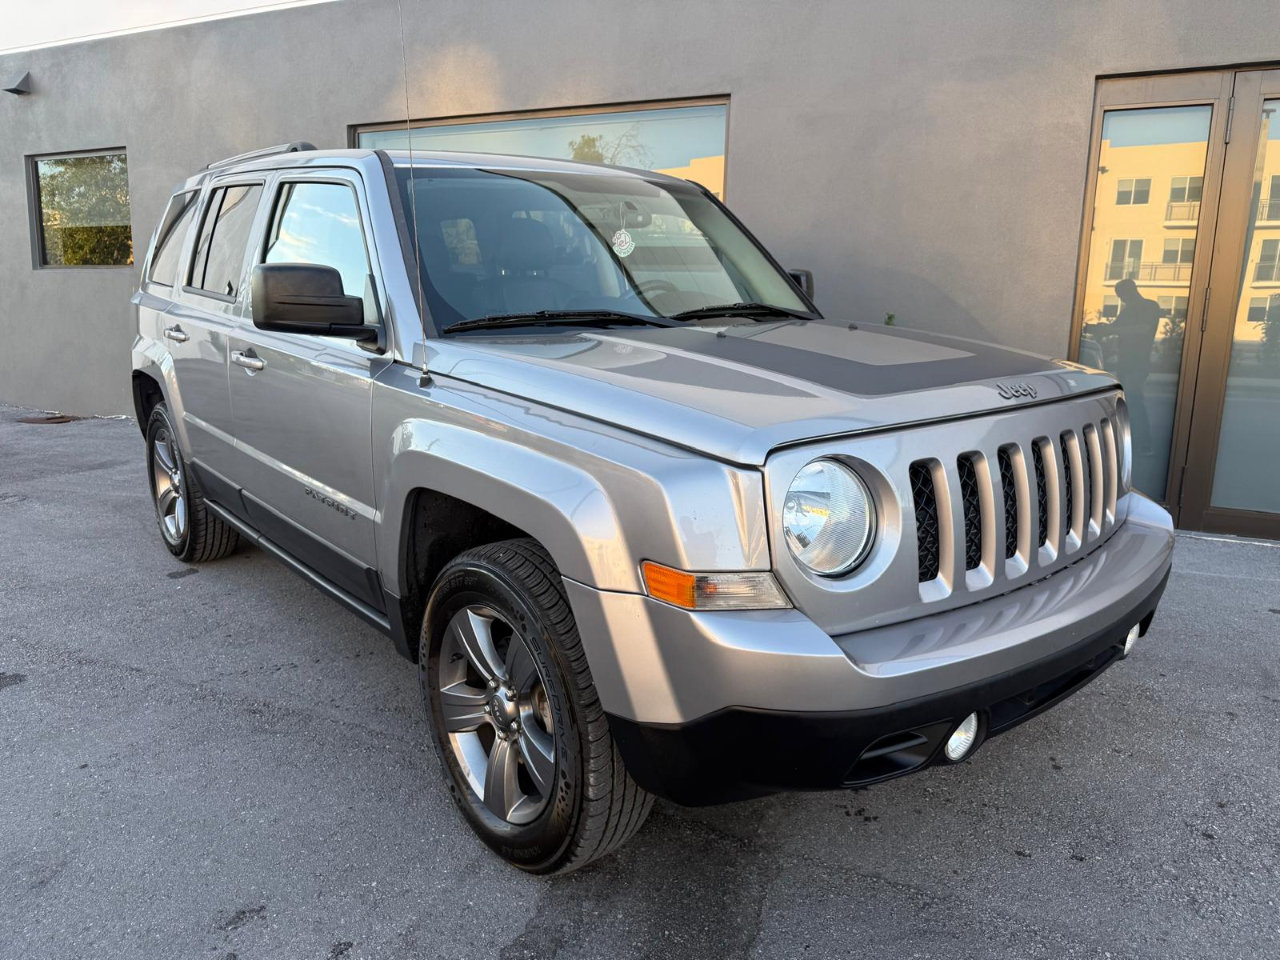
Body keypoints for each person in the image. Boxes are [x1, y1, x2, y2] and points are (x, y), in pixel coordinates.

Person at [1110, 278, 1160, 455]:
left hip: (1138, 363)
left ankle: (1144, 444)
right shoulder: (1127, 310)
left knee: (1135, 401)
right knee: (1127, 403)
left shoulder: (1150, 307)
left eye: (1122, 296)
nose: (1122, 300)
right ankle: (1130, 442)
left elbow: (1142, 329)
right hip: (1125, 362)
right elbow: (1113, 328)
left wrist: (1113, 330)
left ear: (1131, 291)